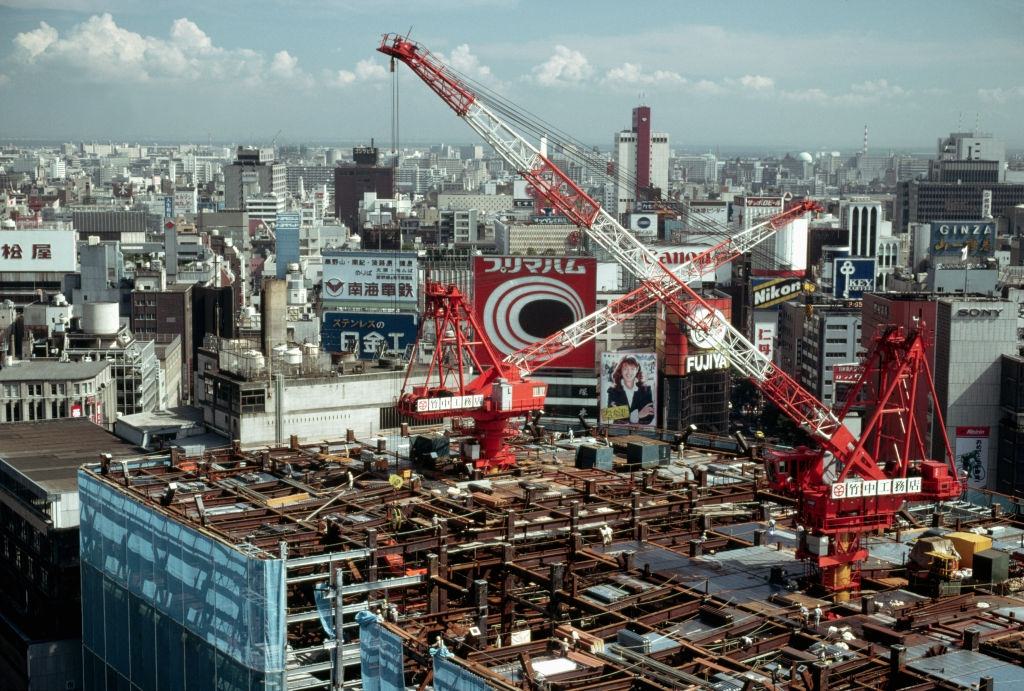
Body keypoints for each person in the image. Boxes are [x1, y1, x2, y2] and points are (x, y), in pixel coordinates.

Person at [605, 355, 655, 424]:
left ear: (637, 370)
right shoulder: (613, 390)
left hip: (639, 432)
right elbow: (610, 414)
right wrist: (638, 415)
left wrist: (622, 412)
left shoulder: (646, 390)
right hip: (619, 432)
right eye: (625, 369)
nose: (629, 372)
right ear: (621, 370)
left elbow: (649, 417)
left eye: (632, 369)